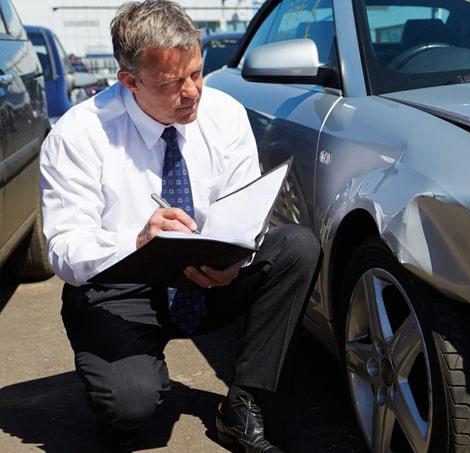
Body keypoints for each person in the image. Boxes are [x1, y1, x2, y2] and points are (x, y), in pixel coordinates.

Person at [39, 1, 321, 451]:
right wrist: (136, 240)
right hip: (121, 288)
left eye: (196, 73)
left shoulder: (224, 113)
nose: (191, 92)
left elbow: (246, 208)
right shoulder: (78, 134)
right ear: (129, 81)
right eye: (173, 83)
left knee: (296, 247)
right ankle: (122, 391)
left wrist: (239, 256)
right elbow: (64, 249)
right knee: (130, 408)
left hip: (206, 278)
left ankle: (243, 405)